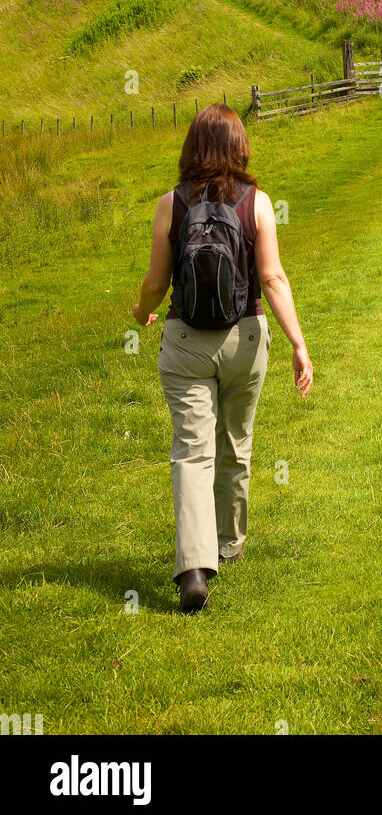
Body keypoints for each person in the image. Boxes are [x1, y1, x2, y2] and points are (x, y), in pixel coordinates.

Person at [132, 103, 312, 612]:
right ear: (239, 146)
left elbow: (155, 283)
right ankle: (228, 547)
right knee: (236, 444)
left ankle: (193, 566)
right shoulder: (257, 203)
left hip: (185, 341)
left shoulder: (171, 203)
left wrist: (140, 313)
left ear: (192, 145)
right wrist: (298, 343)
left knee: (192, 451)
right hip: (246, 338)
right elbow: (273, 279)